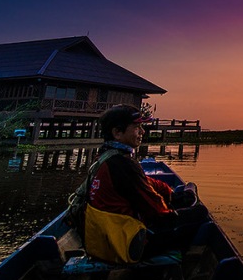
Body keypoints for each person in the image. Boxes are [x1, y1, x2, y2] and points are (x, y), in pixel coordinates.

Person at [82, 105, 193, 263]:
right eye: (137, 127)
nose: (142, 132)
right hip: (125, 245)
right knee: (197, 215)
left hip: (104, 241)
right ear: (117, 133)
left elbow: (145, 183)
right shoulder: (123, 164)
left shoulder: (105, 157)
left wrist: (169, 193)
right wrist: (177, 209)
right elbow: (157, 212)